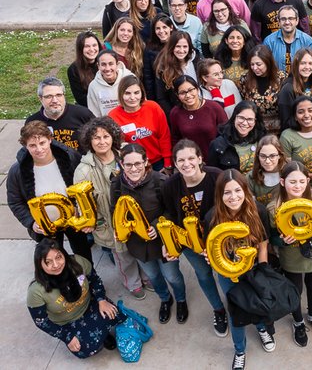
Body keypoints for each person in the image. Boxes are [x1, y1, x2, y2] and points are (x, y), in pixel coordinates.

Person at [110, 143, 188, 324]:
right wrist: (119, 228)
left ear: (146, 162)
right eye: (128, 164)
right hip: (137, 244)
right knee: (153, 276)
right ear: (121, 164)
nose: (133, 169)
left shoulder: (160, 181)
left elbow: (172, 210)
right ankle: (165, 299)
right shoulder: (116, 184)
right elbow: (115, 210)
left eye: (138, 163)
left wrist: (156, 225)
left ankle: (181, 300)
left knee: (172, 276)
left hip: (163, 242)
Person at [204, 169, 273, 369]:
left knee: (257, 303)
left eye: (237, 190)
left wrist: (263, 271)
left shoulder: (258, 211)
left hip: (253, 269)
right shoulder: (211, 217)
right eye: (227, 192)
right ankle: (240, 350)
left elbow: (263, 245)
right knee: (236, 311)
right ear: (220, 194)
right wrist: (210, 258)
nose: (233, 197)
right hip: (228, 274)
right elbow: (210, 250)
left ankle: (261, 329)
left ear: (245, 190)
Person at [161, 140, 228, 337]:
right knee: (204, 275)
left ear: (200, 158)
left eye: (191, 158)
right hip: (192, 243)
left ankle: (236, 305)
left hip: (219, 238)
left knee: (225, 274)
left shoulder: (217, 176)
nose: (186, 164)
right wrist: (167, 241)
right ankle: (218, 310)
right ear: (175, 163)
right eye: (181, 160)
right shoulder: (170, 186)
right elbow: (169, 214)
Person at [74, 117, 147, 298]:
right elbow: (81, 202)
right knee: (123, 256)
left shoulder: (126, 153)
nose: (102, 142)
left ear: (113, 137)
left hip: (135, 215)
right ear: (89, 141)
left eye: (106, 136)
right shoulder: (83, 170)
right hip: (109, 222)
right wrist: (89, 221)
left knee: (142, 248)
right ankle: (133, 283)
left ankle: (147, 277)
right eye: (96, 138)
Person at [6, 121, 90, 261]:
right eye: (32, 145)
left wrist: (80, 209)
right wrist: (31, 222)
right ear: (25, 145)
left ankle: (88, 272)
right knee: (53, 258)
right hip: (45, 226)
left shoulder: (69, 157)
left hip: (73, 217)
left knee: (83, 252)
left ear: (50, 139)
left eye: (42, 143)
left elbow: (84, 183)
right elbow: (15, 201)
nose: (39, 149)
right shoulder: (18, 171)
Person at [27, 239, 123, 358]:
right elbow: (41, 321)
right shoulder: (36, 291)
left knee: (115, 314)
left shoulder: (78, 262)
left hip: (89, 305)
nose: (56, 265)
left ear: (64, 254)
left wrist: (101, 300)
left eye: (58, 257)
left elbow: (94, 280)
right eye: (48, 262)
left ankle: (103, 333)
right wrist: (67, 337)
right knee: (84, 349)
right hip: (68, 322)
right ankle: (98, 334)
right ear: (39, 265)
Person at [267, 162, 312, 347]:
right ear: (282, 182)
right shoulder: (274, 207)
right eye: (292, 182)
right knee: (296, 289)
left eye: (302, 181)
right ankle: (298, 321)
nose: (297, 186)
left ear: (308, 181)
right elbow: (272, 237)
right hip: (291, 254)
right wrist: (282, 240)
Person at [108, 75, 172, 171]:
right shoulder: (113, 116)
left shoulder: (153, 107)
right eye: (127, 93)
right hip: (132, 166)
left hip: (158, 163)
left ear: (142, 93)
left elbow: (164, 136)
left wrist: (167, 162)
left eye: (136, 92)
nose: (132, 97)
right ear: (121, 94)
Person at [26, 77, 94, 152]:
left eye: (58, 95)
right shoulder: (32, 122)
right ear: (40, 99)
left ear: (64, 95)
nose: (55, 100)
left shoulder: (83, 114)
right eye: (49, 96)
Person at [169, 75, 228, 159]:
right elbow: (175, 139)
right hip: (190, 162)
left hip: (216, 159)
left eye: (191, 90)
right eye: (182, 93)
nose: (188, 95)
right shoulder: (175, 113)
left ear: (197, 89)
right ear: (177, 95)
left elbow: (226, 133)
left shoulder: (214, 107)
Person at [239, 44, 287, 136]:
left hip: (277, 131)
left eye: (258, 64)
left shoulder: (282, 78)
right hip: (254, 130)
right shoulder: (245, 79)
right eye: (252, 64)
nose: (255, 68)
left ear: (268, 62)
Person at [207, 101, 266, 173]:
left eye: (250, 119)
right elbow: (212, 174)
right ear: (234, 117)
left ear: (255, 121)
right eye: (241, 118)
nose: (245, 123)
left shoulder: (262, 140)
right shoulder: (218, 145)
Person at [153, 30, 201, 116]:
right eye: (178, 46)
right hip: (178, 112)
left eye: (185, 46)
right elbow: (162, 98)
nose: (181, 50)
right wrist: (174, 115)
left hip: (200, 107)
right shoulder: (163, 68)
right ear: (172, 47)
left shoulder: (197, 62)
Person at [277, 48, 312, 127]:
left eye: (310, 63)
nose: (307, 67)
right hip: (296, 131)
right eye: (303, 63)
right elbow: (286, 121)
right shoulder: (288, 89)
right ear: (296, 65)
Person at [87, 50, 133, 117]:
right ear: (98, 66)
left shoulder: (129, 79)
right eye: (103, 64)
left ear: (117, 64)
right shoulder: (93, 86)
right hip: (106, 122)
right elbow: (94, 112)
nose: (107, 68)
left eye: (111, 64)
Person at [248, 135, 287, 207]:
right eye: (263, 156)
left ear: (279, 155)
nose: (267, 161)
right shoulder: (251, 176)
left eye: (272, 156)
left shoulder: (288, 173)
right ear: (258, 156)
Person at [68, 31, 102, 108]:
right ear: (80, 48)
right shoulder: (73, 70)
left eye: (94, 45)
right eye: (87, 46)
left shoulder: (105, 62)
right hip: (89, 107)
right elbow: (80, 99)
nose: (92, 49)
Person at [216, 26, 255, 90]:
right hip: (228, 93)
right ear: (226, 41)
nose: (235, 41)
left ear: (244, 41)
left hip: (249, 93)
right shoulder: (218, 59)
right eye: (231, 38)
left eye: (239, 38)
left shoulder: (253, 58)